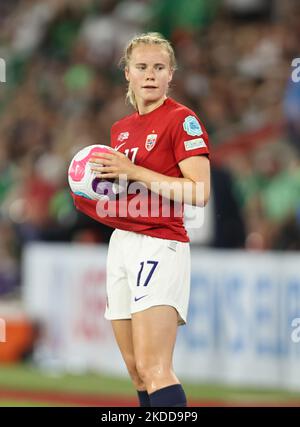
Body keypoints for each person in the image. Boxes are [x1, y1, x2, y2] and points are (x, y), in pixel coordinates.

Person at [72, 32, 210, 407]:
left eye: (159, 68)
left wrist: (133, 171)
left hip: (160, 242)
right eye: (142, 67)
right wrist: (93, 191)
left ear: (171, 76)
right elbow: (126, 189)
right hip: (122, 242)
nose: (150, 75)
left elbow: (199, 191)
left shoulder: (182, 120)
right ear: (128, 74)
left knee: (155, 367)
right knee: (136, 371)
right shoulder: (120, 129)